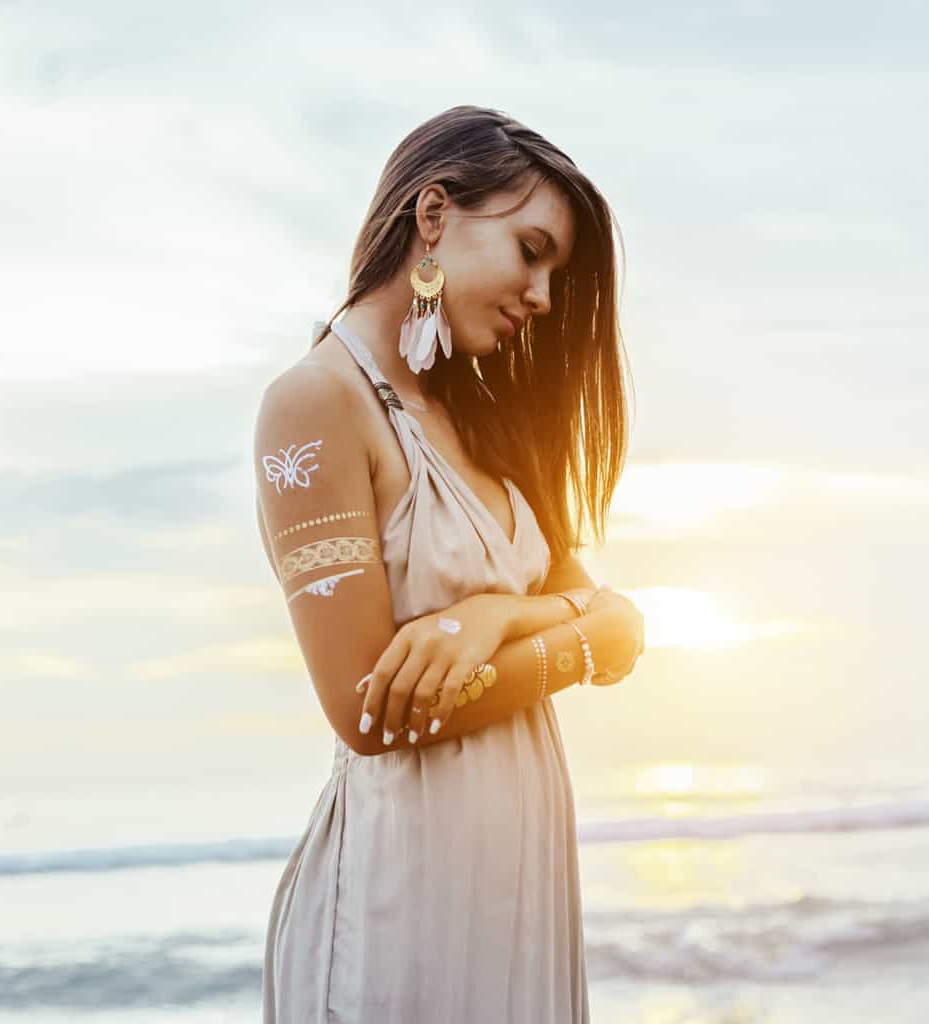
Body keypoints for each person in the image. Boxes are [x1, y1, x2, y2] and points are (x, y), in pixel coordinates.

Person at [254, 104, 645, 1023]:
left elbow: (620, 630)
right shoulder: (316, 404)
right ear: (435, 215)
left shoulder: (478, 415)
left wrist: (496, 618)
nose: (543, 296)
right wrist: (567, 638)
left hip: (519, 904)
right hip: (402, 908)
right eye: (532, 249)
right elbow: (366, 708)